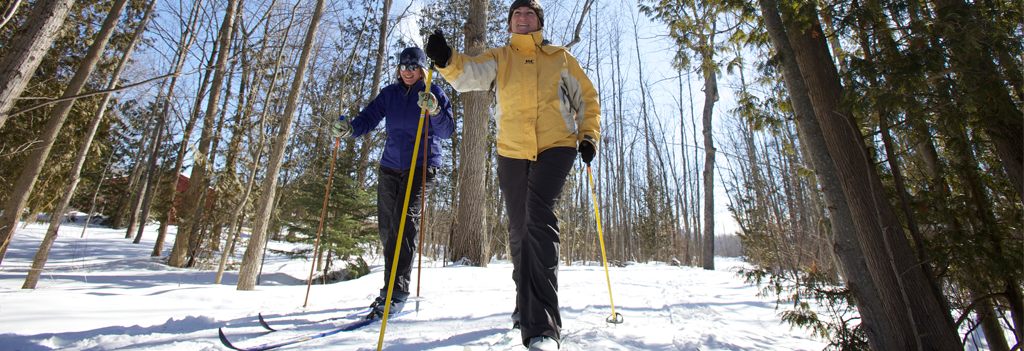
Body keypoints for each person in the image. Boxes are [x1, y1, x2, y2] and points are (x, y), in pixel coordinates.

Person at [425, 0, 600, 349]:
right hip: (511, 151)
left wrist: (588, 136)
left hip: (556, 145)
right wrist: (446, 59)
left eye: (529, 14)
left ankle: (543, 328)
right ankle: (525, 303)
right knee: (520, 230)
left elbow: (587, 99)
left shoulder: (561, 58)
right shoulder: (500, 56)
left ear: (539, 22)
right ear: (509, 23)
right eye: (517, 14)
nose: (522, 18)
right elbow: (469, 74)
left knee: (538, 220)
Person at [331, 47, 455, 320]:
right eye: (403, 66)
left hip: (422, 167)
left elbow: (447, 131)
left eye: (413, 66)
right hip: (390, 166)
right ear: (399, 69)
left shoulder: (433, 92)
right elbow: (368, 119)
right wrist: (350, 129)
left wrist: (434, 109)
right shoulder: (390, 94)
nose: (408, 71)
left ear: (422, 69)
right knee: (388, 228)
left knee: (404, 225)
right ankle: (391, 286)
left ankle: (395, 293)